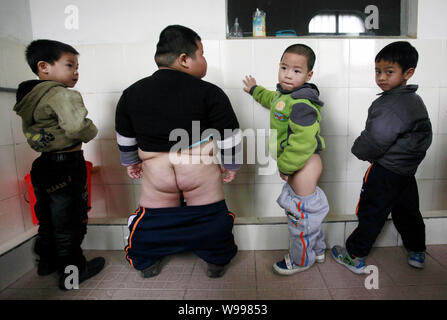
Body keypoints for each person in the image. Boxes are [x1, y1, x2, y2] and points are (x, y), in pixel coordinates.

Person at [116, 25, 241, 278]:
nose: (205, 60)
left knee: (153, 221)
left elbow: (125, 136)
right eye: (202, 53)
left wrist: (130, 162)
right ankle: (216, 261)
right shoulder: (209, 92)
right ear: (185, 59)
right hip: (199, 174)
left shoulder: (131, 93)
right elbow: (230, 135)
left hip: (157, 175)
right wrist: (231, 165)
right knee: (211, 219)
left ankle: (146, 262)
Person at [332, 41, 432, 274]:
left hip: (385, 171)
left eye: (389, 72)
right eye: (378, 71)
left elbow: (376, 139)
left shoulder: (389, 104)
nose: (381, 78)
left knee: (371, 211)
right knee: (408, 211)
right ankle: (417, 251)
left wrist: (358, 151)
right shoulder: (414, 100)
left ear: (408, 73)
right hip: (406, 172)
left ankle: (355, 255)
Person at [13, 39, 105, 290]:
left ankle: (47, 262)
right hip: (67, 164)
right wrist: (91, 129)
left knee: (48, 218)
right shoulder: (63, 94)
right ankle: (73, 274)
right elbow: (77, 127)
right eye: (70, 65)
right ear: (44, 67)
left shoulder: (30, 97)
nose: (76, 72)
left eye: (77, 67)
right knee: (70, 222)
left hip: (43, 166)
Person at [243, 44, 329, 275]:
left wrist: (285, 166)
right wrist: (254, 90)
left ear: (309, 75)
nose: (288, 74)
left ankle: (302, 260)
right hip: (300, 165)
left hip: (303, 164)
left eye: (297, 71)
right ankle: (318, 249)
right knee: (306, 211)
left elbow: (303, 141)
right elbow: (272, 99)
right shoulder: (285, 96)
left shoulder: (302, 103)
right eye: (284, 67)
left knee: (299, 218)